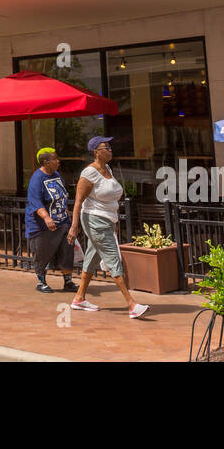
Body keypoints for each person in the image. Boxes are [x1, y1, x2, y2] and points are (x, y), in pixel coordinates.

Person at [67, 136, 148, 319]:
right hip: (94, 220)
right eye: (106, 147)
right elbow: (78, 202)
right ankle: (132, 304)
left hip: (107, 220)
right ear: (96, 152)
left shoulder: (108, 169)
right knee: (113, 260)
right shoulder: (89, 173)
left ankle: (79, 298)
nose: (110, 150)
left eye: (110, 146)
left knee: (92, 257)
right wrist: (74, 227)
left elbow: (110, 199)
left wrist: (114, 222)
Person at [25, 147, 78, 293]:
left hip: (62, 221)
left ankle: (68, 282)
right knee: (42, 253)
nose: (58, 161)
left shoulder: (56, 175)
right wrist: (46, 217)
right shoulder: (37, 179)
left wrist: (66, 211)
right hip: (42, 226)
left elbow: (61, 195)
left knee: (66, 251)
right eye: (55, 159)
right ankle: (41, 282)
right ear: (46, 162)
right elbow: (35, 202)